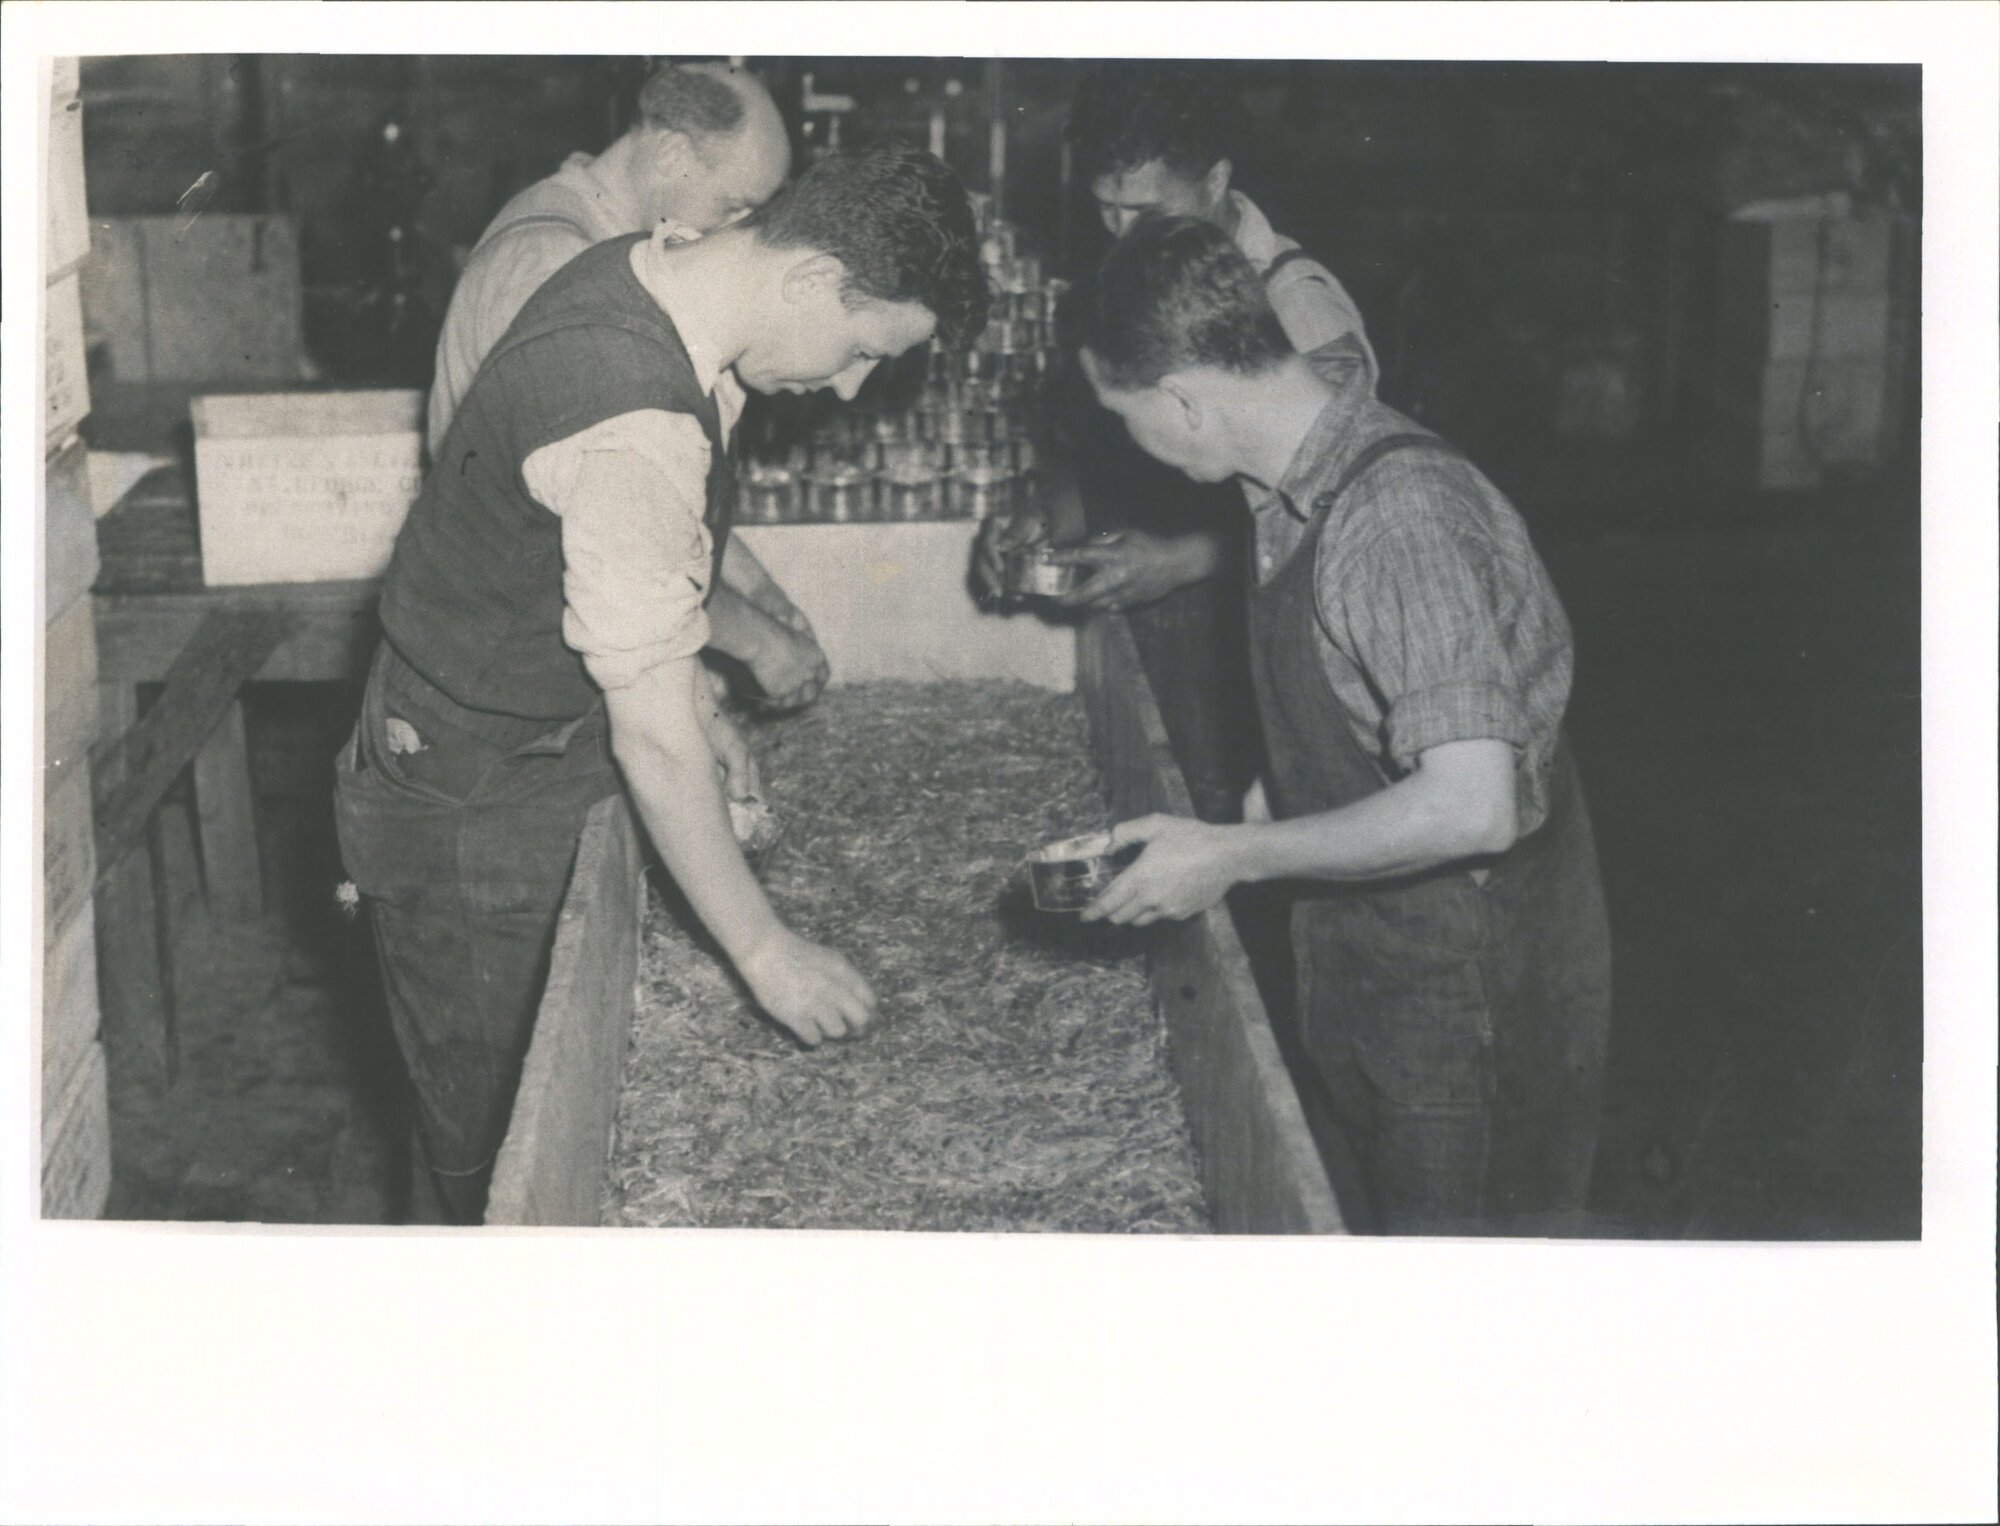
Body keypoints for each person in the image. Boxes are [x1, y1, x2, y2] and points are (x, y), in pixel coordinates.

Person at [336, 146, 989, 1224]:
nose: (849, 386)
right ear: (813, 276)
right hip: (472, 787)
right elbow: (647, 735)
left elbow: (634, 598)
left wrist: (698, 695)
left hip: (510, 722)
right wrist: (765, 950)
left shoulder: (657, 271)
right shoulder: (632, 422)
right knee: (503, 1129)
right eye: (864, 348)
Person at [1075, 217, 1611, 1237]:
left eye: (1126, 415)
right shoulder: (1285, 480)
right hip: (1370, 948)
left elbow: (1471, 804)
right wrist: (1262, 803)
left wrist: (1231, 852)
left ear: (1185, 399)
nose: (1129, 441)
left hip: (1466, 977)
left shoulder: (1398, 517)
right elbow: (1348, 697)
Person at [975, 62, 1377, 822]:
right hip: (1159, 623)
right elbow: (1108, 445)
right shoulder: (1146, 272)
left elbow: (1339, 517)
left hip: (1256, 648)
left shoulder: (1301, 312)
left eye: (1144, 208)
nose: (1122, 233)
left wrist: (1179, 559)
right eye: (1105, 209)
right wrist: (1047, 510)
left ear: (1217, 179)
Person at [430, 59, 829, 715]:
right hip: (505, 672)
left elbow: (641, 489)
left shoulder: (598, 234)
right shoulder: (553, 266)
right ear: (670, 152)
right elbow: (596, 534)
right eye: (734, 207)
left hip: (544, 641)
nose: (739, 238)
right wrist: (762, 644)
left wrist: (752, 585)